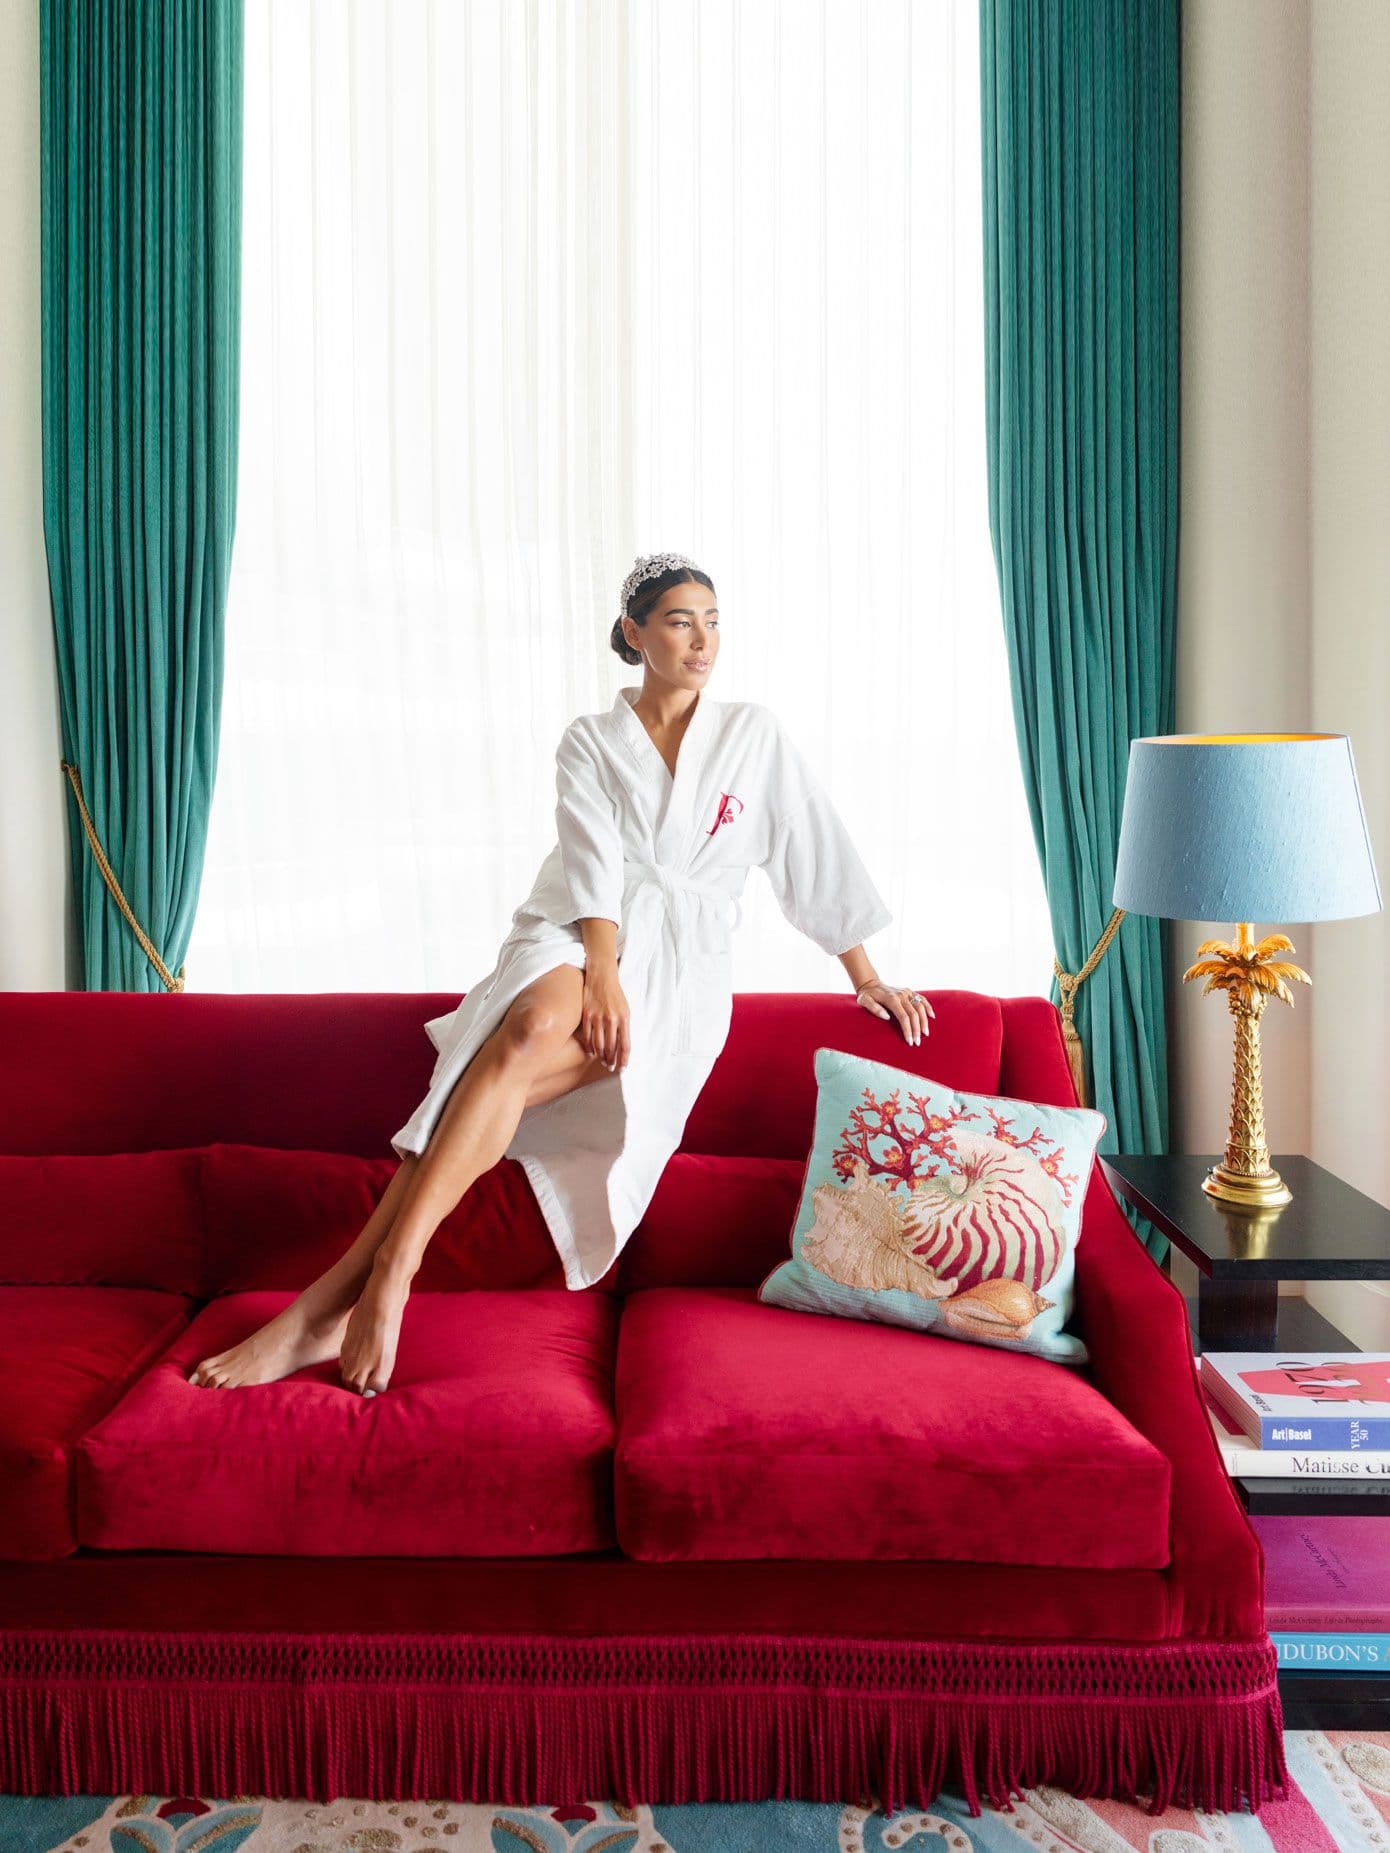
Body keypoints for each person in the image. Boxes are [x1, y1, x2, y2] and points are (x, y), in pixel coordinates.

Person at [189, 553, 933, 1398]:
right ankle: (386, 1278)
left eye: (713, 621)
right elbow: (591, 864)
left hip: (677, 965)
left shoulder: (752, 735)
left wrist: (865, 974)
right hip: (574, 928)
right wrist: (602, 973)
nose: (702, 640)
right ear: (634, 633)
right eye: (680, 621)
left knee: (492, 1073)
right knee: (533, 1024)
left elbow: (810, 843)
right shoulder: (591, 739)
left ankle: (338, 1297)